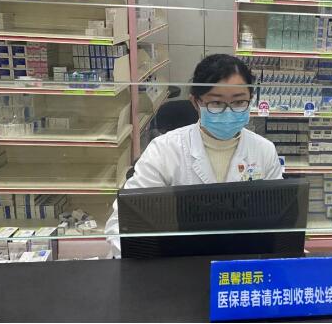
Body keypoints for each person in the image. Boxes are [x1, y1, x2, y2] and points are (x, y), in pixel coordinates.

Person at [104, 54, 282, 257]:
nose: (229, 112)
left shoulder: (264, 150)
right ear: (196, 103)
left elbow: (280, 219)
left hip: (240, 263)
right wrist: (151, 261)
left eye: (239, 102)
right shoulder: (164, 150)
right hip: (176, 263)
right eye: (216, 103)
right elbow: (123, 222)